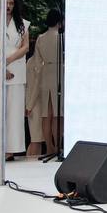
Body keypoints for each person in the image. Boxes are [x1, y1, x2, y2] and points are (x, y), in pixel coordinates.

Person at [27, 8, 63, 158]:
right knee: (57, 115)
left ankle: (49, 148)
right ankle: (58, 147)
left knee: (46, 115)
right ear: (59, 21)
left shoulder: (41, 38)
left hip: (45, 74)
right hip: (59, 73)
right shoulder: (61, 38)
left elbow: (37, 61)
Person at [0, 0, 29, 158]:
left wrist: (8, 60)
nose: (8, 6)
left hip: (16, 68)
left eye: (11, 3)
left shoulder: (22, 24)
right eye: (6, 3)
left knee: (14, 111)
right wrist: (2, 66)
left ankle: (10, 149)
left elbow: (25, 47)